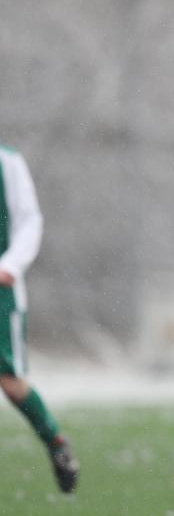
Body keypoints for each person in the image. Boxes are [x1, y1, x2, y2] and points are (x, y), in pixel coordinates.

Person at [0, 144, 79, 493]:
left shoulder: (8, 162)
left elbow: (30, 219)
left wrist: (11, 265)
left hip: (1, 294)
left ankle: (56, 442)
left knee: (10, 382)